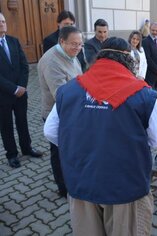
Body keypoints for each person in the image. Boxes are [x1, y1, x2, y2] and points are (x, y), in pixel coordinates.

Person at [43, 37, 157, 235]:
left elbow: (50, 131)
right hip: (126, 186)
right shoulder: (144, 94)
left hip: (81, 182)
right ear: (128, 61)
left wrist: (83, 145)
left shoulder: (68, 90)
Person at [38, 26, 83, 197]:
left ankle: (71, 179)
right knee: (58, 152)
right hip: (56, 115)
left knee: (69, 150)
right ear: (61, 41)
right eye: (74, 44)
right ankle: (63, 188)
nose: (77, 48)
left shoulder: (71, 55)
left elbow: (79, 78)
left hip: (71, 112)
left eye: (80, 44)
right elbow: (61, 96)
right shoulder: (52, 62)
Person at [0, 12, 43, 168]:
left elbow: (24, 66)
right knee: (6, 126)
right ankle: (11, 155)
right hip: (3, 95)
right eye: (0, 22)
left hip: (20, 93)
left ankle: (27, 148)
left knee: (22, 122)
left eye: (3, 21)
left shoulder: (14, 41)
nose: (2, 24)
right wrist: (13, 88)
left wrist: (22, 86)